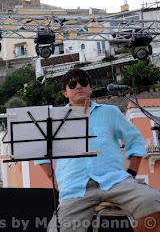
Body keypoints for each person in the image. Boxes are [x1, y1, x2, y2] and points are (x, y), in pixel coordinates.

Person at [36, 68, 160, 232]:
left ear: (90, 88)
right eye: (72, 84)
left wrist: (132, 171)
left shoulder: (110, 112)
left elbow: (135, 140)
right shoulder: (54, 119)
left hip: (115, 181)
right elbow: (39, 152)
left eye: (83, 82)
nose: (78, 86)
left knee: (152, 201)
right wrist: (54, 179)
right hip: (74, 188)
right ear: (65, 92)